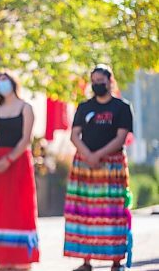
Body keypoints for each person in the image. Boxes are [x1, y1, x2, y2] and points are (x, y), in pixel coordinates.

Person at [64, 64, 133, 271]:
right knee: (85, 211)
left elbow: (121, 137)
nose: (97, 85)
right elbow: (74, 135)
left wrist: (98, 155)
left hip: (112, 165)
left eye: (101, 82)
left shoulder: (121, 108)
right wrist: (88, 155)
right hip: (84, 166)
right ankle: (86, 261)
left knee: (112, 212)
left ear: (110, 82)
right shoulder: (84, 107)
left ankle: (116, 261)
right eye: (93, 82)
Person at [0, 72, 39, 271]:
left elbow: (25, 139)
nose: (3, 84)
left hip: (18, 162)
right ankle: (2, 257)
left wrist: (9, 160)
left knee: (20, 208)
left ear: (14, 83)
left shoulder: (26, 107)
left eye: (6, 80)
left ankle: (22, 258)